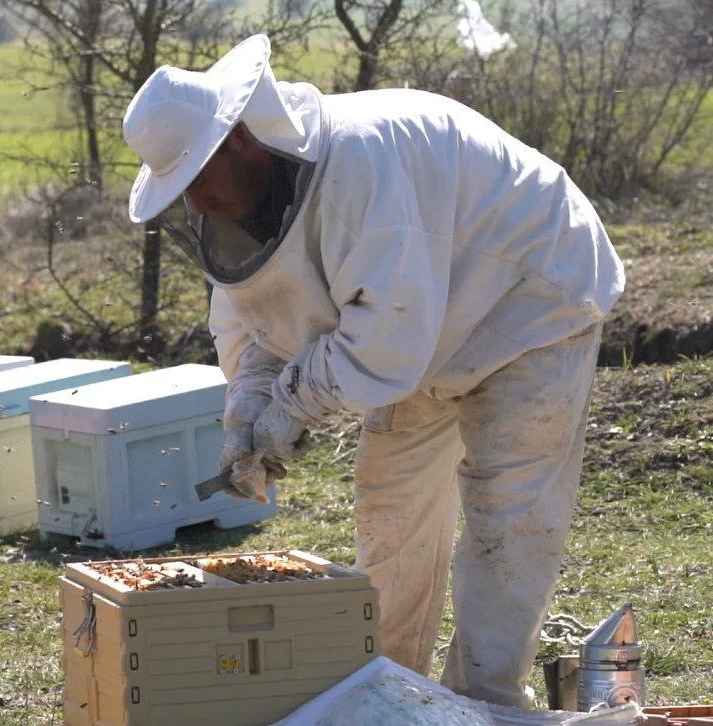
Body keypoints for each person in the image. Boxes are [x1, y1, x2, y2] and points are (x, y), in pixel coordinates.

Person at [120, 34, 625, 709]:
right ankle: (390, 698)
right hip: (426, 326)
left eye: (196, 179)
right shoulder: (249, 195)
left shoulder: (358, 167)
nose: (196, 202)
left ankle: (485, 705)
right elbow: (250, 310)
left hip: (531, 295)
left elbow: (384, 344)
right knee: (393, 510)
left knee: (507, 520)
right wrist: (248, 401)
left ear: (237, 139)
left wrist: (292, 406)